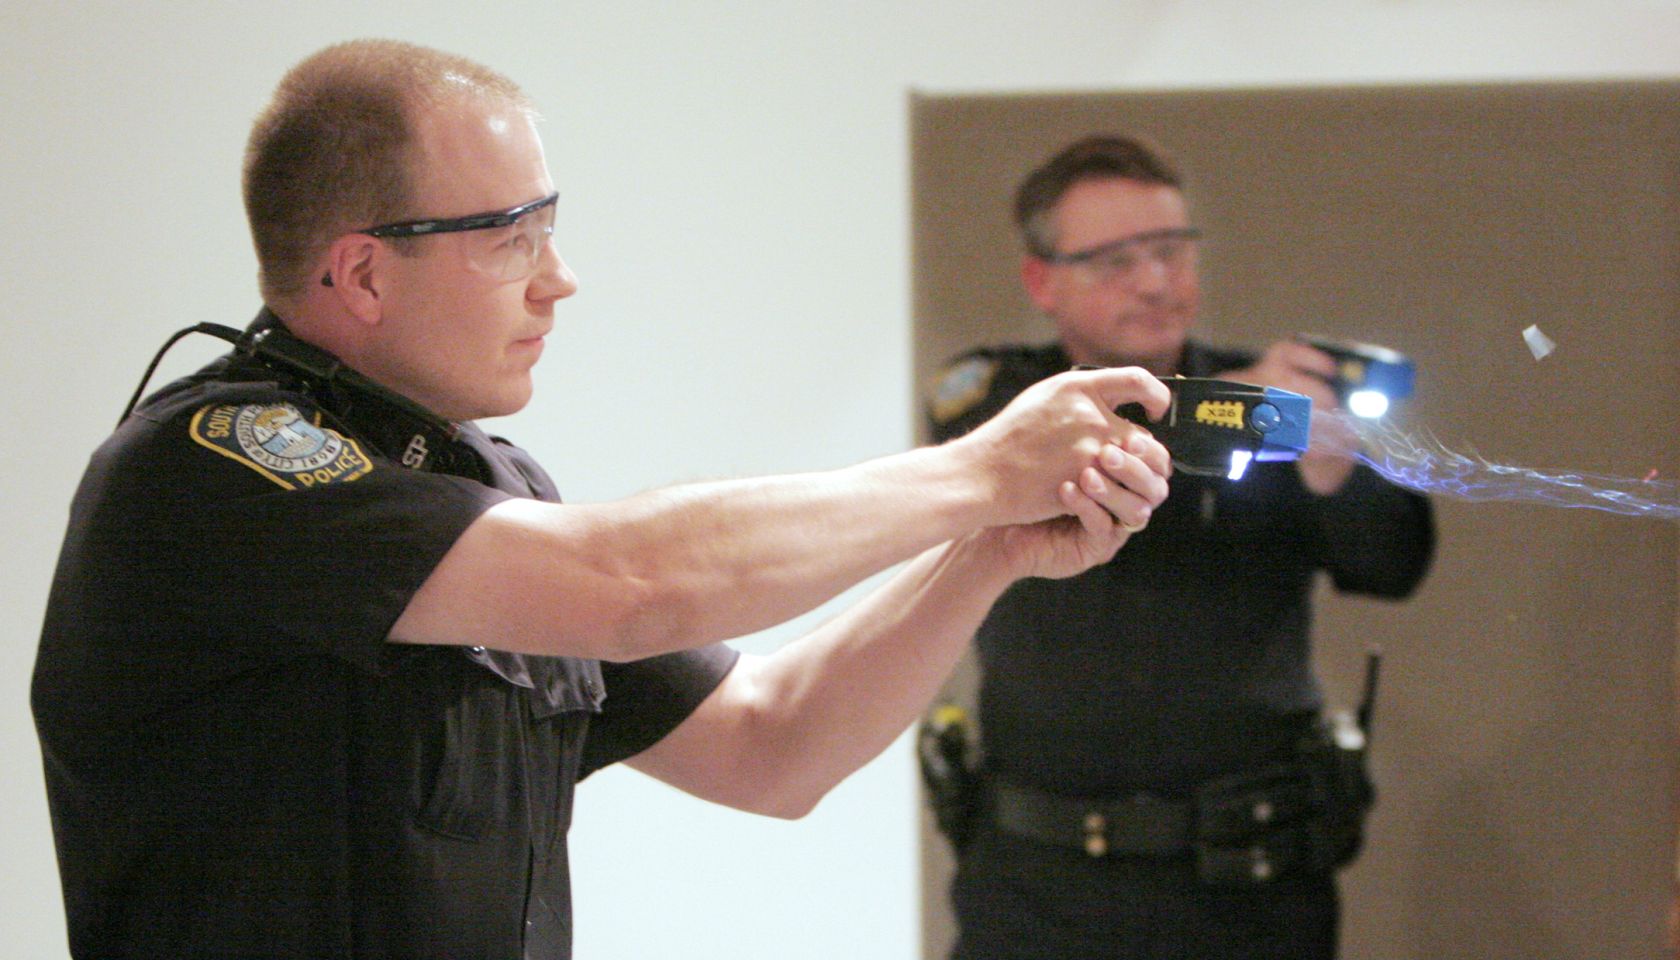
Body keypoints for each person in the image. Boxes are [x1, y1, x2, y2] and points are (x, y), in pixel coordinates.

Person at [29, 44, 1176, 960]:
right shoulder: (213, 468)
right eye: (509, 236)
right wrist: (979, 467)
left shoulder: (483, 487)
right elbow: (634, 584)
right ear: (364, 272)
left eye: (551, 223)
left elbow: (774, 747)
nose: (557, 274)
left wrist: (986, 548)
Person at [925, 135, 1436, 959]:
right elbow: (1073, 460)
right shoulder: (1000, 397)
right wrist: (1235, 413)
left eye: (1170, 250)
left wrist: (1332, 465)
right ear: (1041, 280)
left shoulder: (1276, 402)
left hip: (1251, 885)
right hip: (1039, 886)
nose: (1156, 281)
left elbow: (1391, 564)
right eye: (1115, 260)